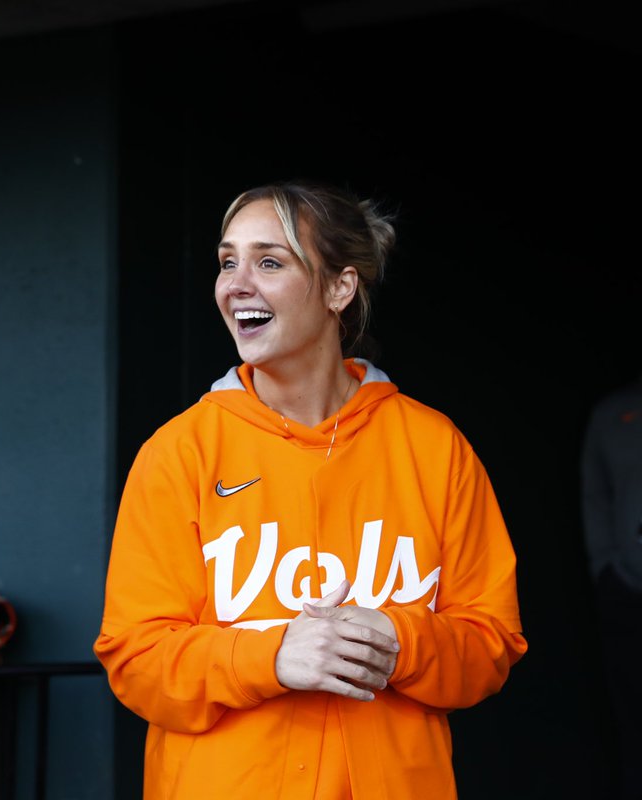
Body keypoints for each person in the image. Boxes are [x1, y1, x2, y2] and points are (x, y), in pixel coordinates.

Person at [94, 181, 527, 798]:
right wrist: (269, 657)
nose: (236, 283)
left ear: (339, 288)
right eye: (227, 261)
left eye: (269, 261)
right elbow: (135, 659)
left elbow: (492, 644)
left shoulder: (434, 446)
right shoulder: (180, 451)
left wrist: (401, 642)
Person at [580, 373, 642, 798]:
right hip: (628, 590)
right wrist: (606, 567)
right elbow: (594, 495)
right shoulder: (612, 415)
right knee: (633, 716)